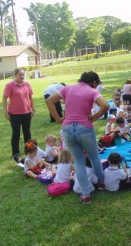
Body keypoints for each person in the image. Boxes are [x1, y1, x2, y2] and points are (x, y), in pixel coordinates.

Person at [46, 71, 109, 203]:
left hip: (67, 129)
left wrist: (58, 119)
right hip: (85, 128)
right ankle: (102, 182)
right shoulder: (92, 91)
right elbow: (105, 105)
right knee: (94, 157)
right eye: (96, 84)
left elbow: (49, 100)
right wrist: (96, 117)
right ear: (93, 82)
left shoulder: (67, 88)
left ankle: (85, 194)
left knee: (79, 161)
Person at [2, 67, 35, 163]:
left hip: (27, 112)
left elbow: (30, 97)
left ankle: (29, 151)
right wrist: (5, 112)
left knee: (27, 133)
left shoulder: (27, 84)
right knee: (16, 134)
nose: (22, 76)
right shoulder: (10, 85)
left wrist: (33, 108)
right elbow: (4, 99)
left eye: (23, 74)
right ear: (15, 75)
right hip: (14, 114)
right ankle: (15, 153)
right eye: (20, 74)